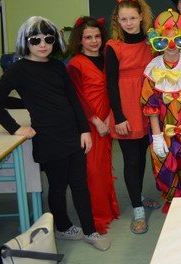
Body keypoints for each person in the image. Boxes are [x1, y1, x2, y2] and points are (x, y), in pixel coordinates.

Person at [0, 16, 110, 250]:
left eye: (48, 39)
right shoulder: (17, 70)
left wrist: (84, 130)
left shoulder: (57, 66)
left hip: (72, 133)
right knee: (57, 185)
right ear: (26, 42)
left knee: (79, 184)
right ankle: (63, 227)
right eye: (35, 40)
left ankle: (90, 231)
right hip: (48, 137)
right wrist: (15, 128)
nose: (43, 44)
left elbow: (73, 100)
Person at [142, 10, 181, 213]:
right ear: (156, 42)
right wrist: (157, 136)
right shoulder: (152, 69)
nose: (171, 47)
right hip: (162, 129)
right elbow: (150, 105)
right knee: (164, 165)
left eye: (177, 41)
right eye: (164, 41)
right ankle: (171, 199)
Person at [106, 0, 157, 235]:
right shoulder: (113, 47)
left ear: (141, 17)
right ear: (118, 20)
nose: (128, 23)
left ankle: (138, 194)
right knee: (131, 159)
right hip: (126, 109)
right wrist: (119, 117)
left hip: (147, 107)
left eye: (133, 18)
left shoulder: (151, 43)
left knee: (142, 156)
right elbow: (110, 84)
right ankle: (137, 208)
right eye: (123, 19)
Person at [66, 16, 119, 235]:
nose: (94, 41)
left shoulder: (107, 59)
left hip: (107, 120)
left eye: (97, 36)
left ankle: (108, 208)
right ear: (80, 40)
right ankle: (97, 216)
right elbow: (77, 98)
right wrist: (96, 121)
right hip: (89, 123)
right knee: (93, 171)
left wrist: (110, 117)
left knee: (105, 166)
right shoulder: (75, 64)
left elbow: (114, 89)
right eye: (88, 37)